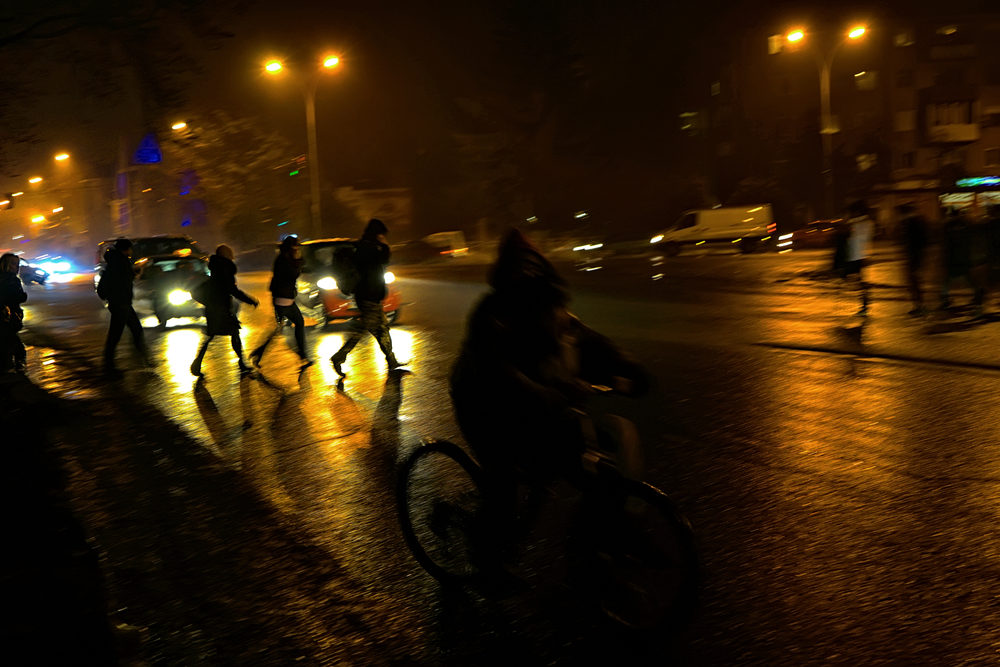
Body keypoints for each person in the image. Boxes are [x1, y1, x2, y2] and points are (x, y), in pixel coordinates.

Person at [450, 230, 648, 564]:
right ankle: (485, 560)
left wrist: (627, 367)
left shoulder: (551, 308)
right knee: (504, 487)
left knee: (595, 464)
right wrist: (541, 392)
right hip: (482, 403)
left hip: (537, 404)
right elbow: (494, 369)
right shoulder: (492, 313)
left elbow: (588, 340)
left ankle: (601, 542)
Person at [330, 218, 402, 376]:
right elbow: (384, 259)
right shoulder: (369, 248)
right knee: (371, 329)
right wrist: (384, 245)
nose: (383, 237)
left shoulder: (363, 246)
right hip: (368, 295)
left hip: (369, 294)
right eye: (382, 234)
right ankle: (339, 357)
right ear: (377, 234)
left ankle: (391, 360)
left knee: (377, 328)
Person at [190, 245, 259, 377]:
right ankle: (241, 363)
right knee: (233, 333)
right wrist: (250, 300)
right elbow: (232, 290)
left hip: (214, 309)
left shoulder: (216, 267)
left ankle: (197, 364)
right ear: (227, 255)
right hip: (221, 309)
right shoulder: (225, 269)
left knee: (214, 335)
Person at [249, 235, 312, 368]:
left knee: (283, 328)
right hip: (282, 299)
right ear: (291, 247)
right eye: (296, 247)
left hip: (284, 298)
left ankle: (259, 354)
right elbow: (293, 274)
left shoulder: (285, 258)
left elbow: (300, 267)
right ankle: (302, 355)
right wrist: (299, 259)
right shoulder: (283, 260)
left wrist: (299, 260)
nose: (298, 249)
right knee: (291, 325)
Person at [97, 238, 149, 374]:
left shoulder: (116, 261)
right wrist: (136, 273)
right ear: (125, 249)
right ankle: (109, 367)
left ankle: (144, 359)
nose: (131, 251)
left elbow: (121, 278)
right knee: (116, 335)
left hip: (121, 303)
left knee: (135, 329)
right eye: (130, 248)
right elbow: (121, 280)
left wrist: (134, 273)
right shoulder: (120, 262)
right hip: (120, 303)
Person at [938, 207, 982, 315]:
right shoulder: (966, 224)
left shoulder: (947, 225)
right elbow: (972, 240)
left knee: (946, 280)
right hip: (963, 256)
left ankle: (945, 299)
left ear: (951, 215)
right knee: (969, 278)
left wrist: (943, 257)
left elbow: (945, 243)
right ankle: (977, 295)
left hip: (952, 257)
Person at [843, 200, 874, 316]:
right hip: (859, 254)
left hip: (858, 255)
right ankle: (865, 304)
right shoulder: (865, 222)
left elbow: (849, 226)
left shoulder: (860, 223)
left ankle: (865, 304)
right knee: (860, 280)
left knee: (861, 281)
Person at [898, 202, 928, 315]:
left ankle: (919, 306)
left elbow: (912, 241)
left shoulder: (911, 223)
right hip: (916, 256)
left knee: (914, 282)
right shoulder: (916, 221)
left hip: (914, 257)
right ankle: (919, 305)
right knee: (914, 282)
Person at [0, 253, 28, 373]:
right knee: (14, 344)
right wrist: (23, 296)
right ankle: (17, 366)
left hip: (5, 317)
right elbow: (15, 297)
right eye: (14, 264)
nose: (17, 267)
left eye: (18, 265)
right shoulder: (12, 280)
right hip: (8, 317)